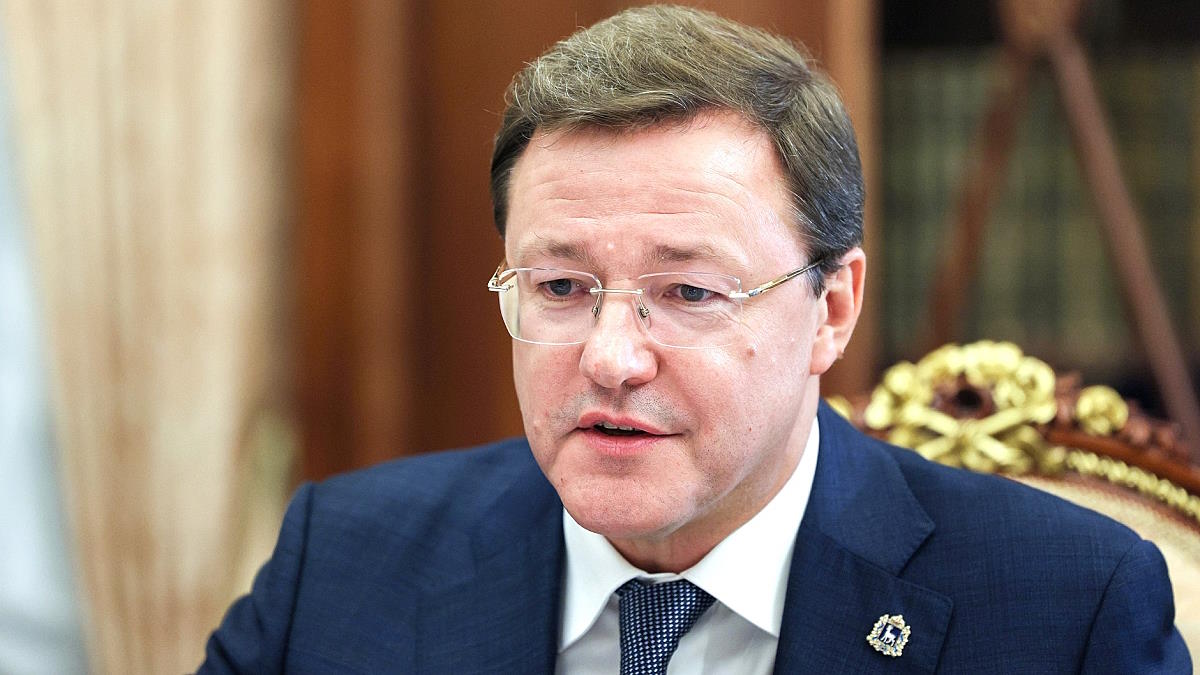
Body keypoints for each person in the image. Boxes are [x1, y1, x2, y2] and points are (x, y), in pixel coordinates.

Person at [200, 5, 1191, 673]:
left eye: (687, 292)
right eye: (561, 287)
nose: (610, 358)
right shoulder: (343, 563)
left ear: (832, 309)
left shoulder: (1066, 608)